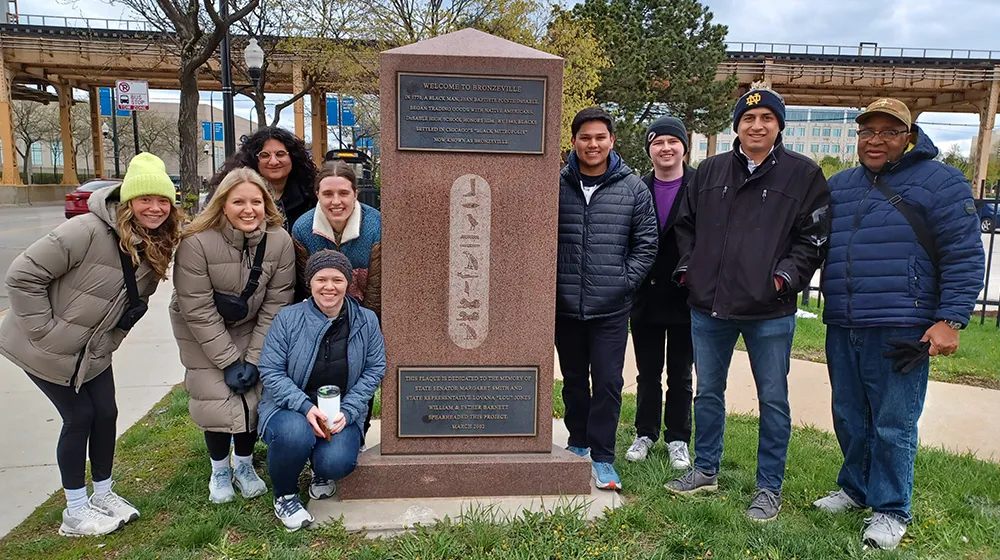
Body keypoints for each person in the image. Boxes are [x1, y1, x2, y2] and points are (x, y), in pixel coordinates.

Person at [815, 98, 985, 549]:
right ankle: (855, 488)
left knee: (893, 421)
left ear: (908, 138)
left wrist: (950, 319)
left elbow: (964, 255)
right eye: (867, 131)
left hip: (903, 323)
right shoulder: (841, 186)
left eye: (888, 132)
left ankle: (891, 509)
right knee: (849, 415)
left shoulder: (941, 182)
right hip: (844, 320)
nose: (875, 140)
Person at [665, 88, 830, 523]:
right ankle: (705, 469)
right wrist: (690, 270)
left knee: (773, 399)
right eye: (748, 118)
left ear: (779, 125)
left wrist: (783, 279)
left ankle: (768, 488)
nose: (757, 126)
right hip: (710, 306)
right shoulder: (710, 170)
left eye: (766, 118)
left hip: (769, 311)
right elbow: (685, 225)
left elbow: (813, 239)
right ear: (736, 125)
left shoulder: (803, 174)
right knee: (708, 392)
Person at [0, 153, 182, 537]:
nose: (155, 208)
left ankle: (103, 493)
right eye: (145, 199)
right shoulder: (85, 230)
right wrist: (45, 333)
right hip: (42, 348)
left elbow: (133, 308)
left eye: (162, 200)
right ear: (128, 200)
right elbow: (22, 276)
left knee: (106, 413)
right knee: (79, 417)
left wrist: (109, 343)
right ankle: (75, 510)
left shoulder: (157, 244)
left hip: (93, 351)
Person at [169, 167, 296, 504]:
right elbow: (197, 308)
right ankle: (219, 469)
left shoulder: (279, 241)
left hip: (252, 324)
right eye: (239, 202)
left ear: (266, 204)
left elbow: (277, 302)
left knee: (251, 391)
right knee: (215, 395)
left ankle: (243, 464)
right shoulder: (196, 242)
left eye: (256, 201)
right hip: (202, 327)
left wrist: (253, 358)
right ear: (223, 203)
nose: (248, 209)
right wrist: (227, 361)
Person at [556, 107, 658, 491]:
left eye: (600, 137)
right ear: (573, 142)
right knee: (573, 381)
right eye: (585, 137)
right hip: (565, 306)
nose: (593, 144)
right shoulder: (557, 185)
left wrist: (623, 282)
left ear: (612, 141)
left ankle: (603, 456)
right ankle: (577, 442)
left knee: (608, 382)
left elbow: (646, 245)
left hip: (611, 309)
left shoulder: (633, 189)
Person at [257, 250, 386, 531]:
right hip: (290, 407)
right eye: (321, 280)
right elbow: (271, 370)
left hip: (339, 410)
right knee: (295, 434)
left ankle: (320, 470)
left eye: (337, 280)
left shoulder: (367, 320)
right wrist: (305, 407)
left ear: (348, 282)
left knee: (337, 462)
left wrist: (349, 410)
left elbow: (375, 369)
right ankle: (285, 495)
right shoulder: (288, 319)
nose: (329, 287)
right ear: (310, 283)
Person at [625, 116, 695, 470]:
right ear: (649, 149)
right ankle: (645, 433)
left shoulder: (700, 186)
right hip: (646, 296)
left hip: (686, 297)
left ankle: (678, 438)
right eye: (657, 142)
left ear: (684, 147)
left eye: (672, 141)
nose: (665, 148)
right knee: (647, 373)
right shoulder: (637, 188)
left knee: (681, 375)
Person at [291, 161, 382, 319]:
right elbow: (308, 287)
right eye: (328, 194)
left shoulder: (376, 226)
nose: (336, 201)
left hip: (366, 316)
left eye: (343, 193)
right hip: (322, 316)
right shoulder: (302, 229)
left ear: (355, 194)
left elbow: (376, 290)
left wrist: (363, 324)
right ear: (317, 194)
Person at [208, 127, 318, 233]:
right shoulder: (228, 192)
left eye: (280, 154)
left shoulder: (311, 194)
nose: (274, 162)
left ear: (293, 157)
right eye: (264, 155)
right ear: (253, 159)